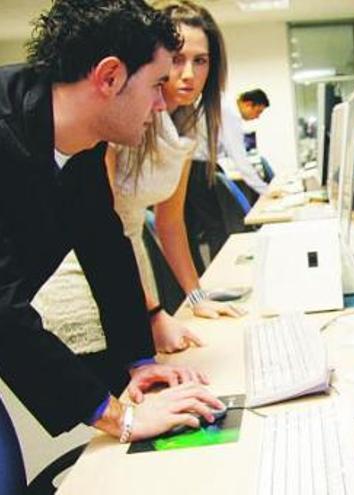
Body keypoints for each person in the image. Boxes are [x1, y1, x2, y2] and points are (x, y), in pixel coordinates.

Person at [0, 0, 223, 450]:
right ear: (109, 77)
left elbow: (104, 245)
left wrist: (140, 362)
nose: (162, 105)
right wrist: (118, 417)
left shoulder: (76, 135)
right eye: (156, 84)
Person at [33, 0, 244, 357]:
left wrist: (197, 298)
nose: (189, 74)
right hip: (85, 279)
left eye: (201, 60)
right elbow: (100, 225)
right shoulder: (123, 117)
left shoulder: (184, 127)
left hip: (133, 276)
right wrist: (152, 312)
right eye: (176, 60)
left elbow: (171, 223)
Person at [213, 89, 272, 198]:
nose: (257, 117)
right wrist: (266, 191)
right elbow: (240, 159)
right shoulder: (231, 115)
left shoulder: (226, 105)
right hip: (198, 165)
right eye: (258, 111)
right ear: (248, 104)